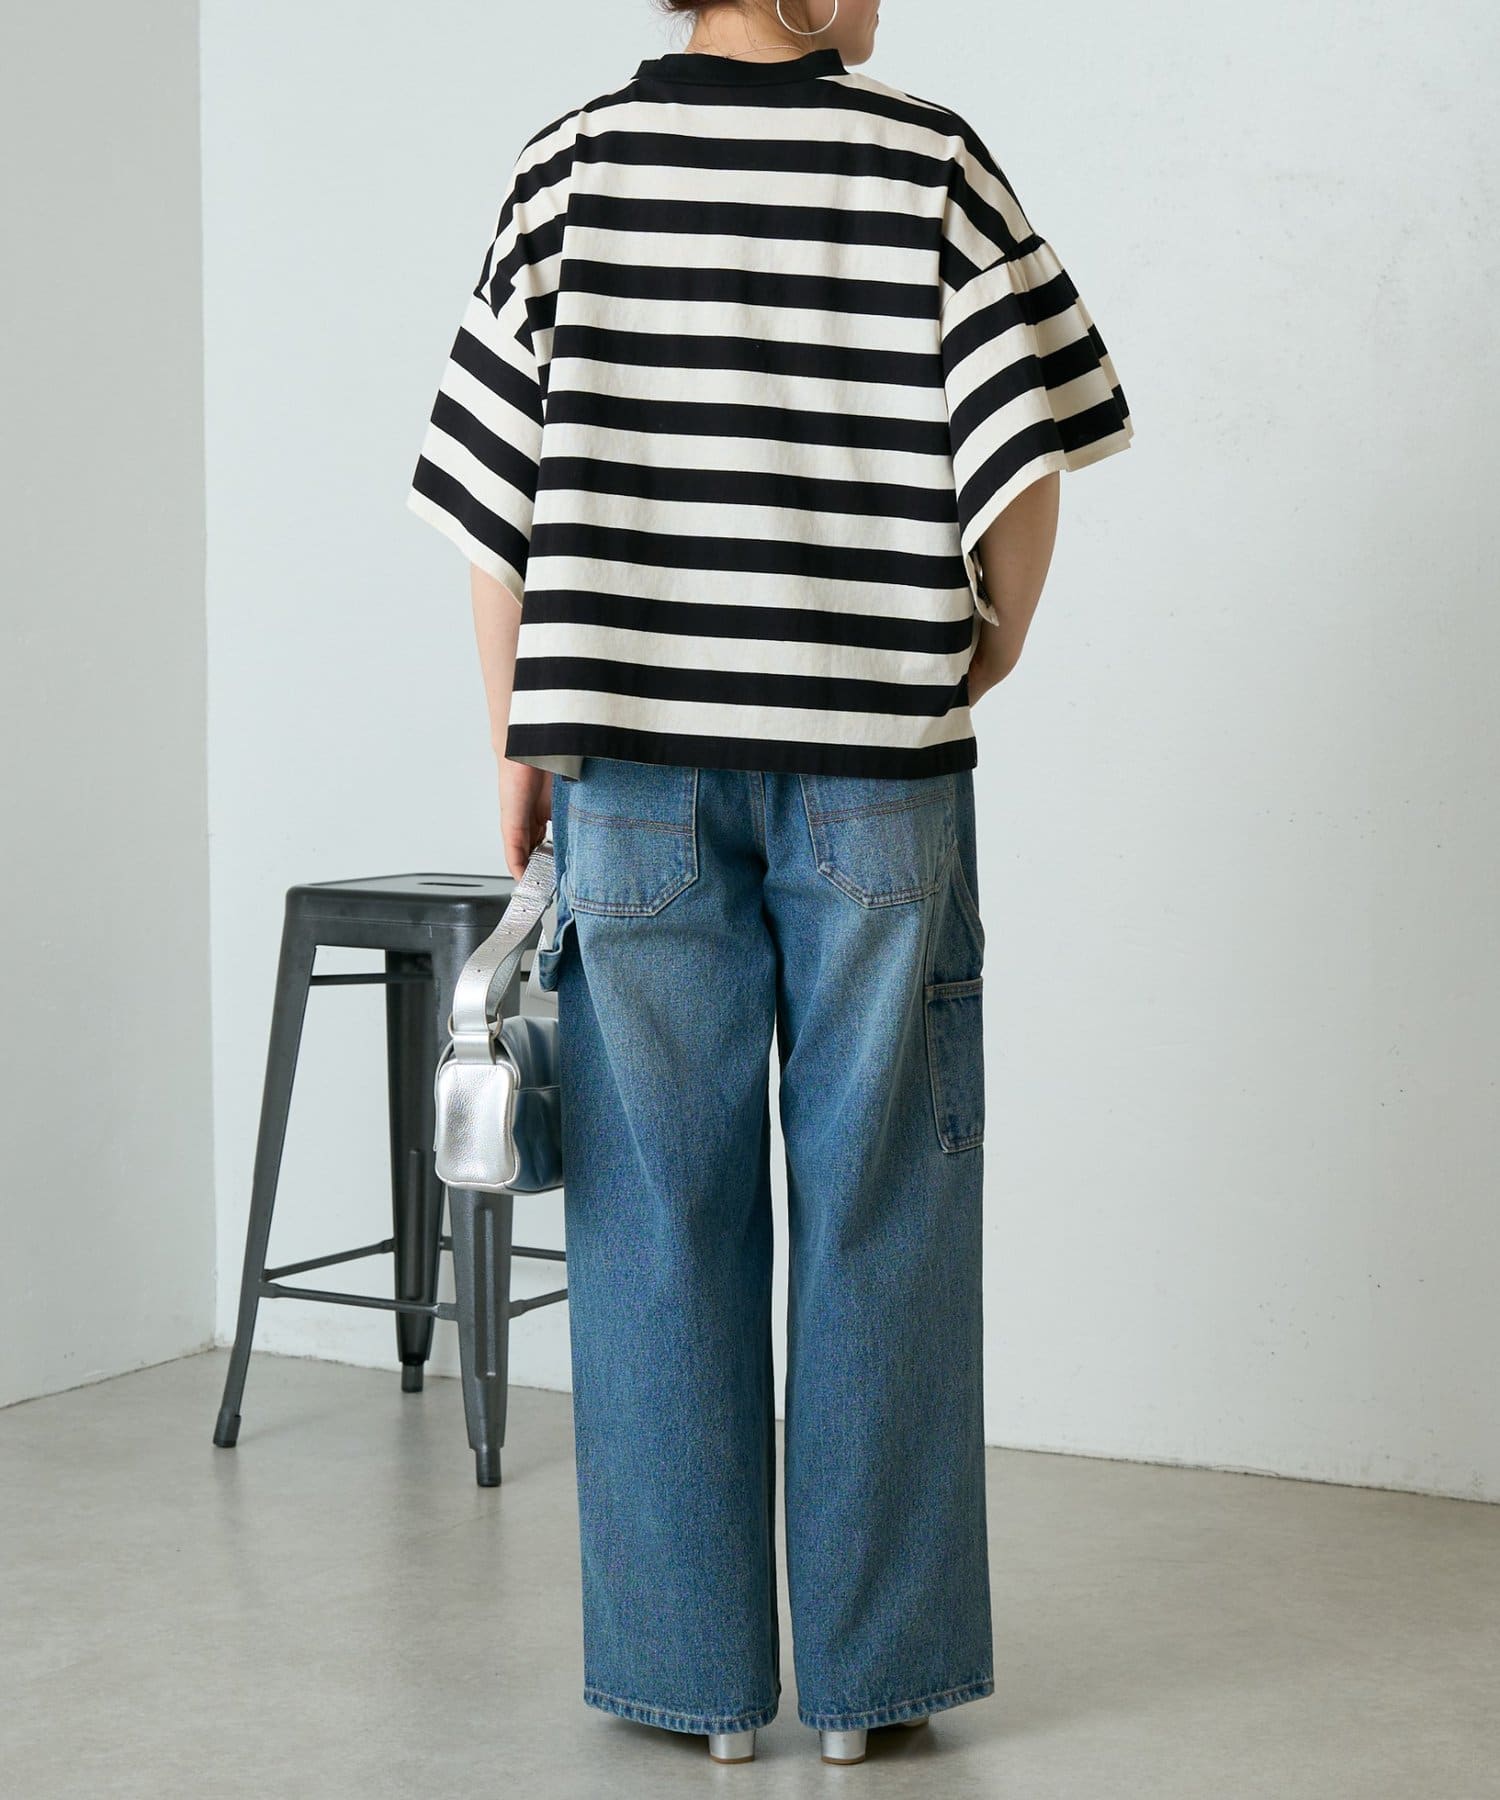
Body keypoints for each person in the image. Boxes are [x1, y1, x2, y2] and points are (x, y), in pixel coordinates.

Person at [405, 0, 1133, 1766]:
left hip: (630, 776)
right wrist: (985, 645)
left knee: (658, 1219)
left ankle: (697, 1686)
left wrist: (517, 749)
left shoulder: (569, 169)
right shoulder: (925, 161)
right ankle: (874, 1691)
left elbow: (494, 506)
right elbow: (1026, 463)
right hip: (879, 774)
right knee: (886, 1206)